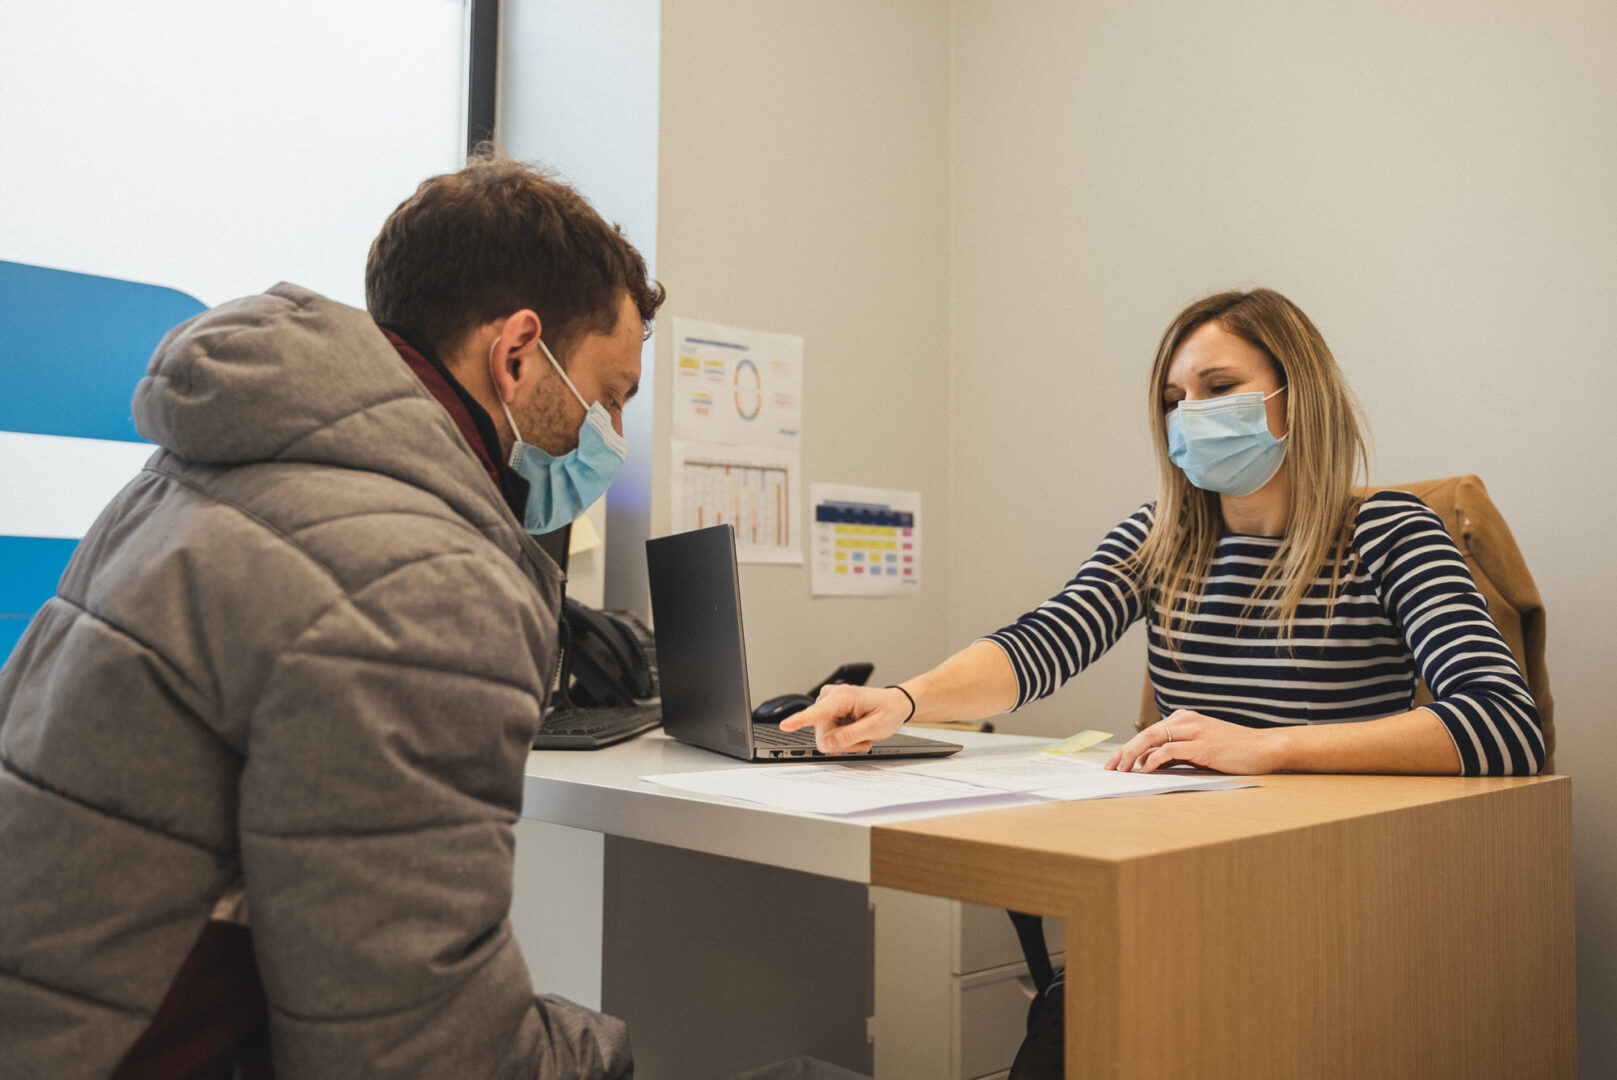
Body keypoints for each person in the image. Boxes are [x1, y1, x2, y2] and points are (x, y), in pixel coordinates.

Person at [0, 151, 662, 1078]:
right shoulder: (424, 577)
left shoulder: (192, 477)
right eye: (609, 398)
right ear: (517, 354)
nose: (611, 438)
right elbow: (412, 1055)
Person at [783, 288, 1544, 777]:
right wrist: (902, 700)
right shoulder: (1160, 539)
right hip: (1187, 840)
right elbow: (1043, 643)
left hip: (1328, 854)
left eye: (1220, 388)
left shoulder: (1390, 533)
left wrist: (1266, 747)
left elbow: (1505, 725)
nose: (1191, 415)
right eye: (1175, 399)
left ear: (1298, 396)